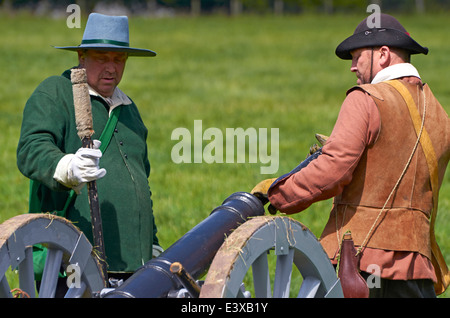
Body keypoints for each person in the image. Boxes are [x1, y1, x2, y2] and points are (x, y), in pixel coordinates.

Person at [261, 14, 449, 297]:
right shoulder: (441, 117)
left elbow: (332, 171)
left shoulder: (366, 99)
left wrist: (276, 192)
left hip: (363, 265)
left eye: (357, 57)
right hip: (418, 270)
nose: (352, 67)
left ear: (383, 54)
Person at [17, 13, 162, 293]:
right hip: (70, 262)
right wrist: (68, 167)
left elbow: (142, 183)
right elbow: (30, 149)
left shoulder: (130, 111)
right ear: (82, 57)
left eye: (119, 59)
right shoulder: (55, 92)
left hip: (134, 266)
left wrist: (151, 244)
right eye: (101, 58)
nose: (111, 68)